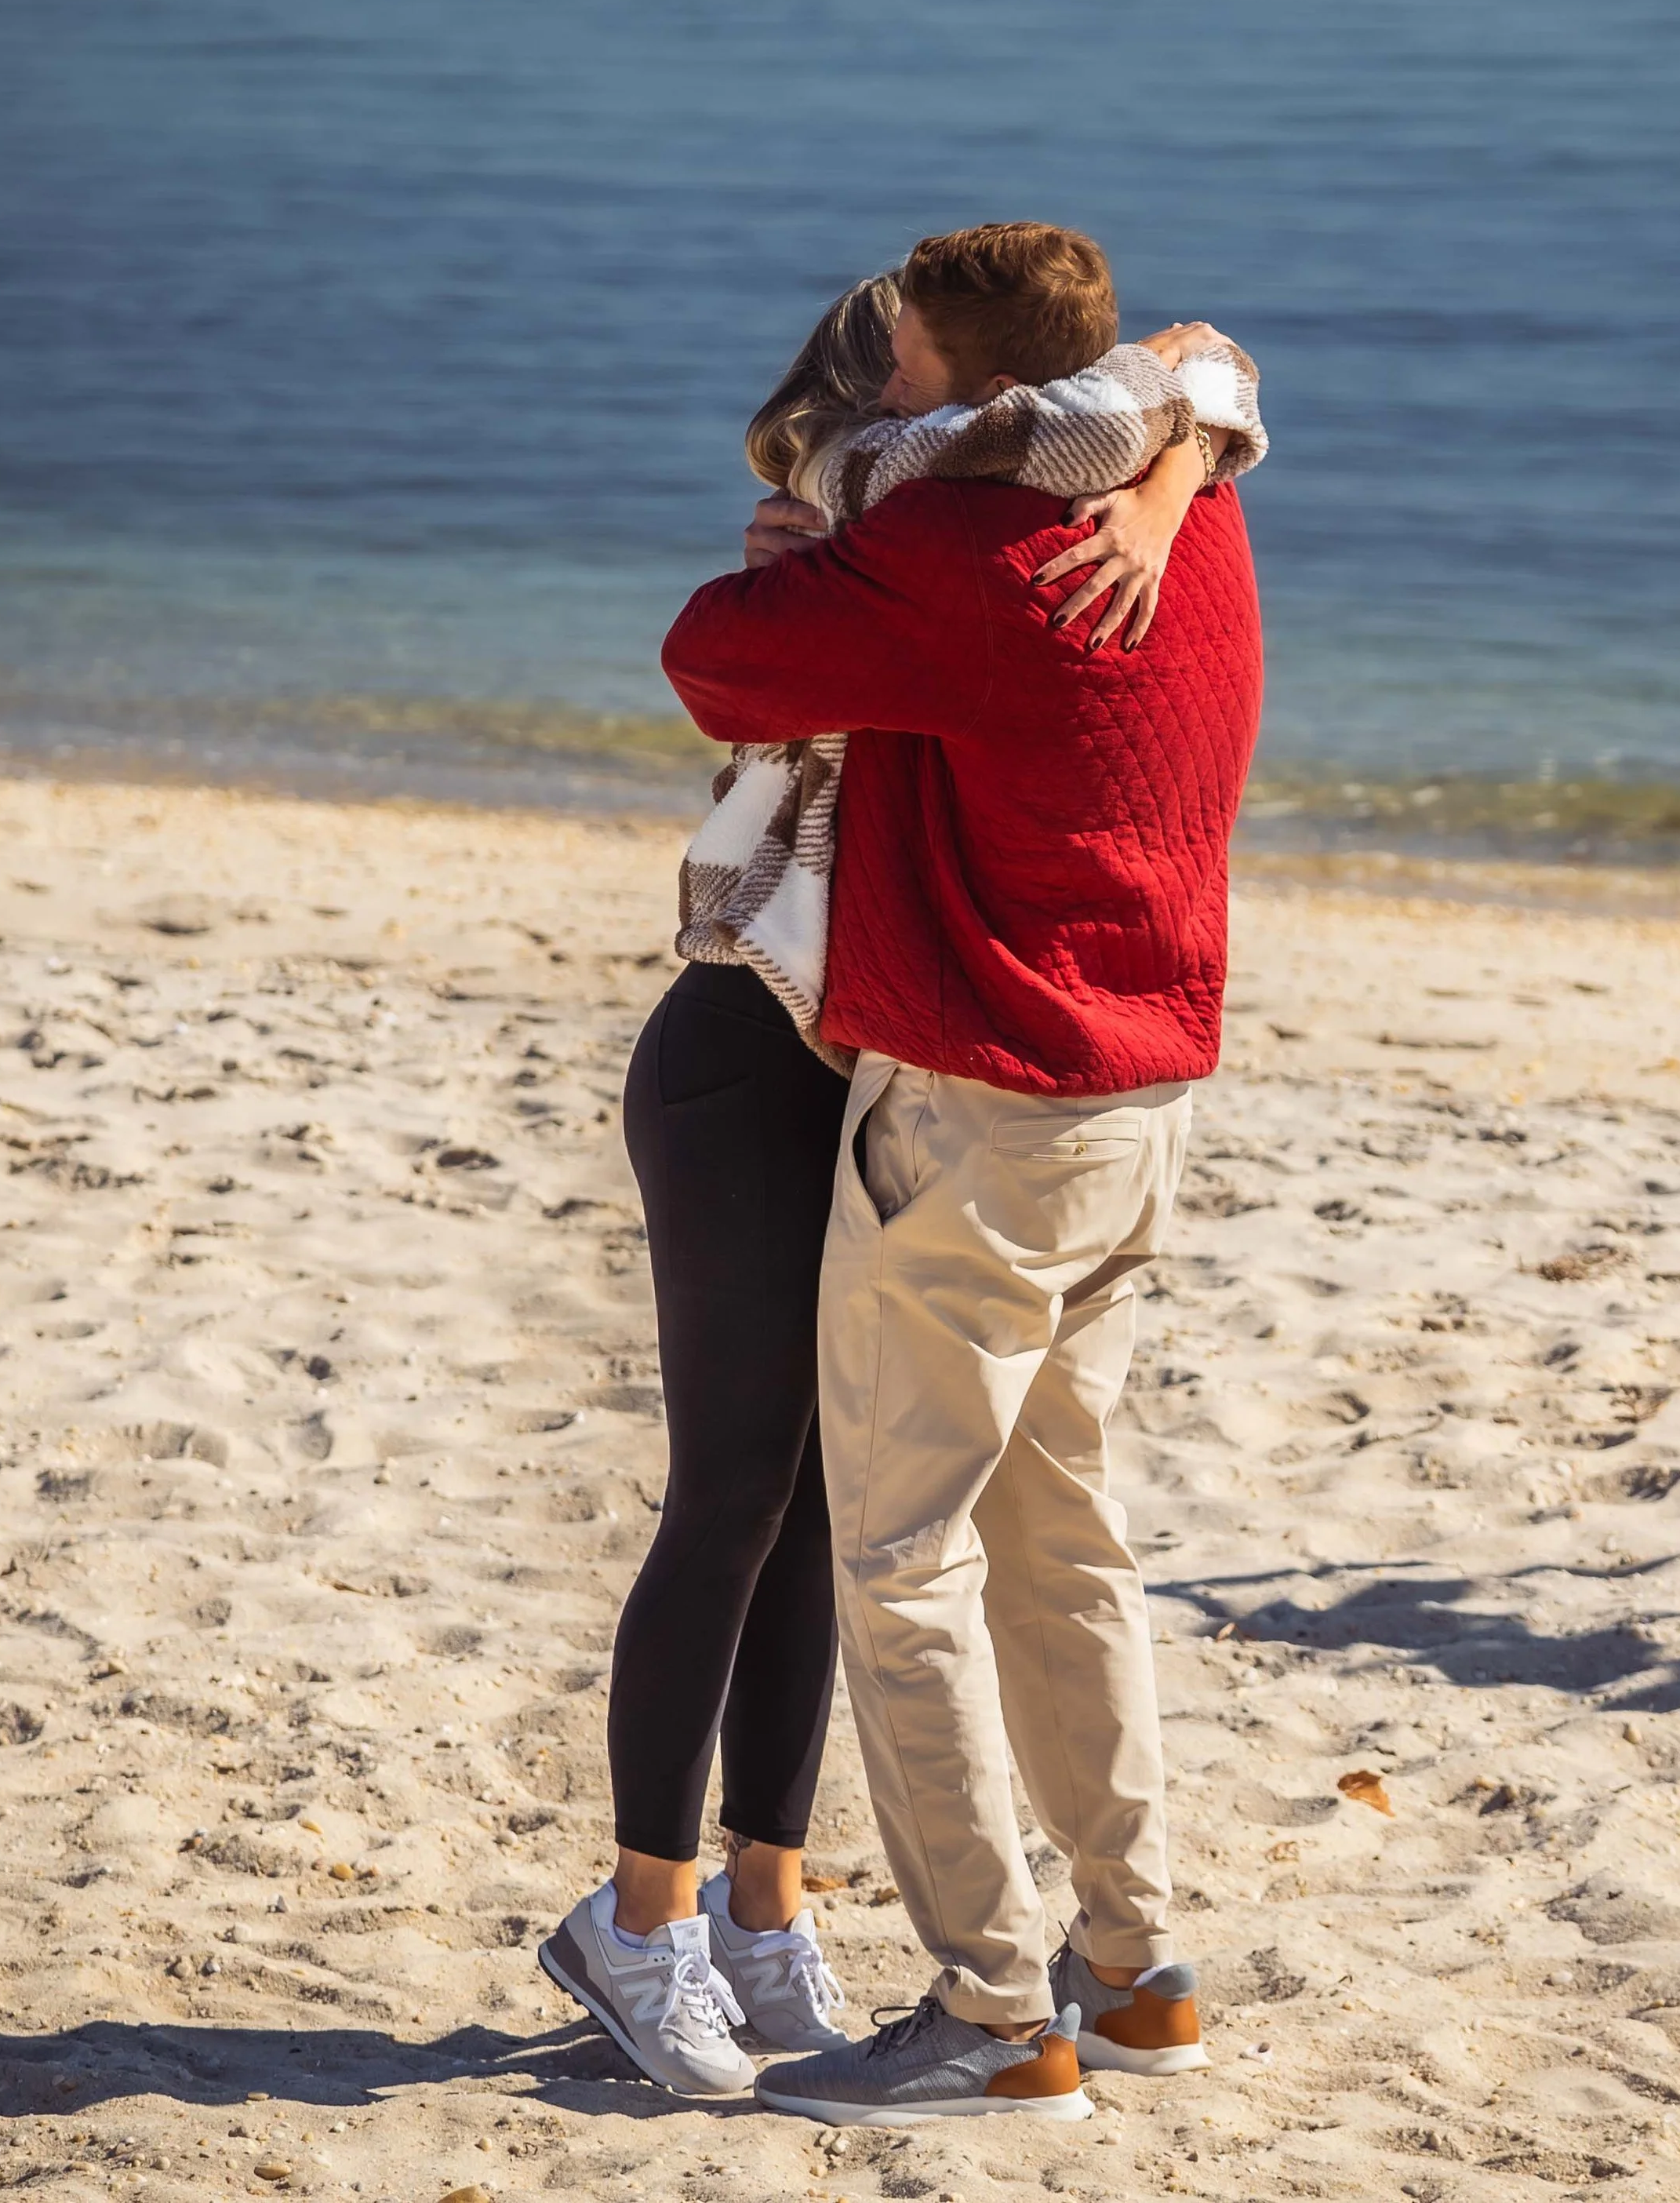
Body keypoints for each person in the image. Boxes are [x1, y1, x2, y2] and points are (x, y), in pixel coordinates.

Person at [539, 235, 1264, 2099]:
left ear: (953, 385)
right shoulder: (1184, 514)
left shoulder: (946, 548)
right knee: (1045, 1540)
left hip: (980, 1096)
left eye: (904, 369)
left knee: (892, 1555)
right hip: (1123, 1104)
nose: (883, 402)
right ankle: (1131, 1967)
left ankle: (985, 2011)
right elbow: (1202, 365)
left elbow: (710, 657)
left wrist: (825, 557)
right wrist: (1180, 462)